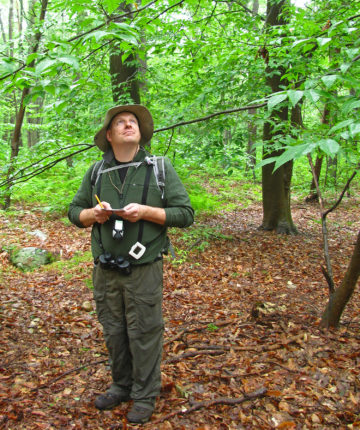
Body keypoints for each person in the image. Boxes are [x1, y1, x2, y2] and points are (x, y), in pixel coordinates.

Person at [68, 104, 194, 424]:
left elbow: (185, 214)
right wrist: (92, 215)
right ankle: (121, 385)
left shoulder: (159, 168)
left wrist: (147, 212)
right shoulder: (96, 173)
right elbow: (74, 214)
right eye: (120, 123)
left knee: (145, 331)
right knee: (114, 330)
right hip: (106, 270)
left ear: (140, 132)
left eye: (133, 122)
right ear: (109, 136)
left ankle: (144, 394)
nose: (128, 125)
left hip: (144, 268)